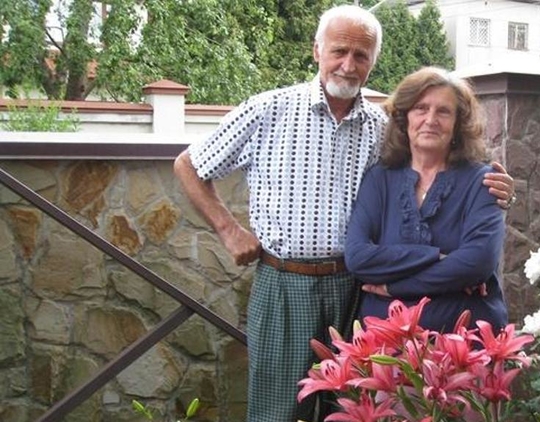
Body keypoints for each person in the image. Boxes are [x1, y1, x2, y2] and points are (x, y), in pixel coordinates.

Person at [173, 5, 515, 422]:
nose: (348, 65)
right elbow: (189, 164)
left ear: (373, 61)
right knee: (278, 411)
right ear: (317, 50)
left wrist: (502, 191)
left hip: (354, 289)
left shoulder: (379, 127)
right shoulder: (268, 109)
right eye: (339, 51)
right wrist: (229, 230)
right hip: (286, 282)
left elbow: (439, 164)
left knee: (353, 409)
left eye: (361, 55)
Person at [345, 66, 508, 333]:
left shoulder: (483, 181)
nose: (431, 119)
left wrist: (394, 287)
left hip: (465, 341)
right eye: (421, 108)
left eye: (443, 111)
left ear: (458, 124)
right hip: (386, 342)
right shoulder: (379, 179)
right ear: (404, 118)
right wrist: (438, 256)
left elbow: (477, 262)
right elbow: (358, 257)